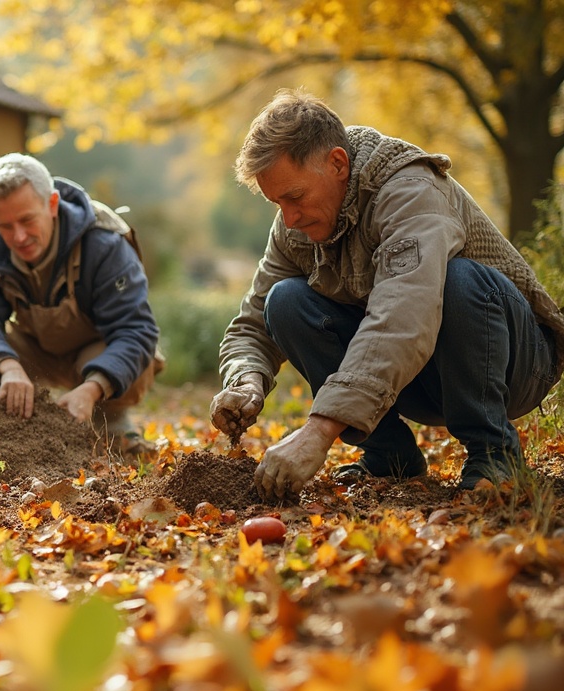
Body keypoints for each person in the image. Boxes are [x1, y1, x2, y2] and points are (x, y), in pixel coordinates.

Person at [212, 88, 564, 502]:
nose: (289, 218)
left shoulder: (409, 189)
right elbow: (253, 323)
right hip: (418, 376)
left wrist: (320, 430)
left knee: (458, 278)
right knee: (285, 301)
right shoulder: (295, 226)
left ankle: (494, 452)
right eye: (277, 203)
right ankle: (389, 457)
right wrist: (247, 380)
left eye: (295, 197)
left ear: (338, 164)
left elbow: (405, 313)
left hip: (515, 364)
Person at [0, 153, 162, 454]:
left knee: (141, 351)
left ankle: (112, 421)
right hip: (32, 354)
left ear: (52, 204)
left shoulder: (105, 243)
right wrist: (6, 366)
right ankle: (2, 429)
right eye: (3, 225)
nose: (18, 236)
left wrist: (92, 387)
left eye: (26, 220)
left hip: (95, 356)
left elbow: (136, 330)